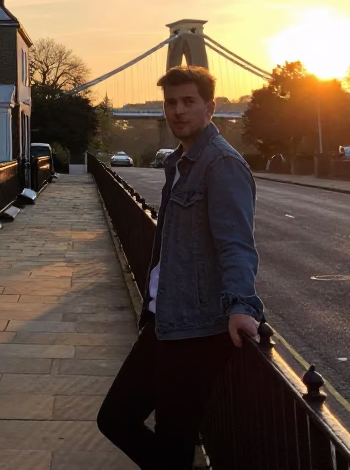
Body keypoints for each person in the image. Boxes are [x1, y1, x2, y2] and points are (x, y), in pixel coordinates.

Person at [97, 65, 264, 470]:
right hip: (165, 321)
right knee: (116, 418)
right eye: (171, 102)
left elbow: (236, 243)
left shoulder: (221, 164)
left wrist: (242, 305)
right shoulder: (179, 162)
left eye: (189, 101)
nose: (178, 111)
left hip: (198, 331)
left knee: (173, 441)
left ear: (210, 107)